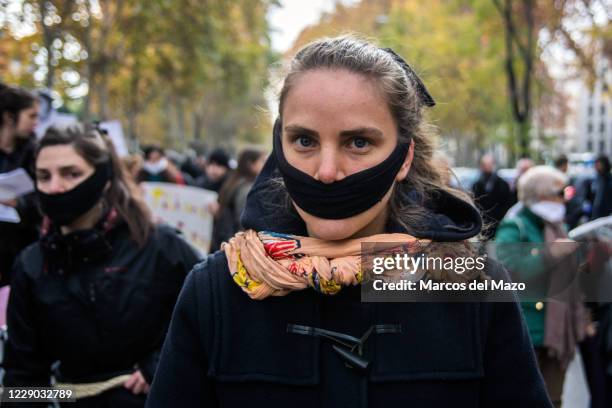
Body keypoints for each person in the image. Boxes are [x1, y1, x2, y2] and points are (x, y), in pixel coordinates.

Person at [146, 36, 551, 407]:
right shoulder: (216, 291)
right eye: (304, 140)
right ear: (279, 145)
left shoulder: (472, 289)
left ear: (404, 158)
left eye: (359, 142)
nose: (326, 171)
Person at [2, 125, 202, 407]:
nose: (55, 187)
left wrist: (159, 364)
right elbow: (21, 382)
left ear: (104, 177)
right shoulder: (30, 265)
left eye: (72, 174)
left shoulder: (159, 247)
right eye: (43, 176)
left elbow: (211, 314)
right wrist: (54, 395)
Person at [495, 165, 588, 408]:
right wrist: (549, 255)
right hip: (531, 328)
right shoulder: (515, 226)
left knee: (555, 399)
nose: (563, 199)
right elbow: (506, 270)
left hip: (557, 329)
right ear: (539, 194)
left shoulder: (557, 225)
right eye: (558, 193)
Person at [0, 84, 40, 286]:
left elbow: (45, 199)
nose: (36, 122)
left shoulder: (35, 152)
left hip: (21, 249)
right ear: (9, 117)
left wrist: (19, 203)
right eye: (31, 116)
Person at [209, 147, 266, 252]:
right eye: (262, 161)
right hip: (234, 247)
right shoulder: (247, 188)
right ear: (251, 165)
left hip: (224, 243)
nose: (265, 165)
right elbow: (244, 222)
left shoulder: (234, 181)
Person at [587, 155, 612, 220]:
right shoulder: (595, 179)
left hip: (606, 215)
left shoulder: (609, 179)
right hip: (595, 214)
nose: (596, 166)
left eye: (598, 164)